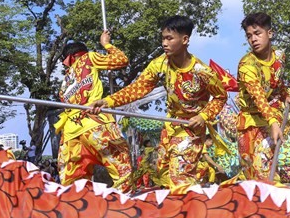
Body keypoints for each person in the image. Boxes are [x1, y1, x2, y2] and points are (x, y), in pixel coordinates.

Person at [91, 16, 227, 188]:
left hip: (191, 130)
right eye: (163, 38)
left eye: (169, 38)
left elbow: (220, 96)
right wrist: (107, 101)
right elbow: (138, 88)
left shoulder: (202, 72)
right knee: (162, 174)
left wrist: (203, 116)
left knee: (180, 179)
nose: (164, 43)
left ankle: (187, 207)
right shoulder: (159, 64)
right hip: (170, 127)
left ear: (185, 40)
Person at [55, 30, 133, 193]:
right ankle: (124, 209)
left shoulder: (63, 85)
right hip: (94, 124)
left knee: (74, 188)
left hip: (69, 135)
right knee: (122, 171)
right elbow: (121, 60)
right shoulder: (88, 57)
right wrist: (106, 44)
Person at [236, 12, 288, 180]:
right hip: (250, 123)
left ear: (270, 33)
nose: (253, 39)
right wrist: (273, 122)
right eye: (249, 36)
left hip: (270, 120)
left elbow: (278, 82)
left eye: (257, 33)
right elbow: (258, 96)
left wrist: (286, 96)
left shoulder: (280, 56)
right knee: (252, 177)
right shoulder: (247, 65)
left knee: (268, 173)